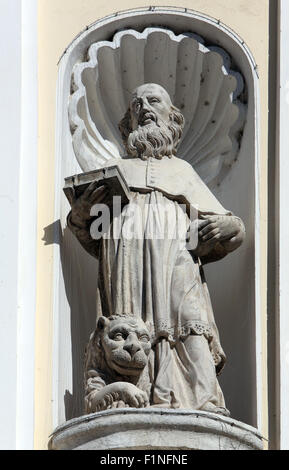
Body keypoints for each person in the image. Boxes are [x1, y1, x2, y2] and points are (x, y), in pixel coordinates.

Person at [67, 83, 245, 415]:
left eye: (153, 100)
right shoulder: (117, 171)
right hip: (126, 262)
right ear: (128, 122)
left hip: (178, 255)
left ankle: (203, 400)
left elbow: (228, 227)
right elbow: (91, 236)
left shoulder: (183, 171)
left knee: (190, 320)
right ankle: (137, 394)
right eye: (136, 104)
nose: (144, 107)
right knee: (132, 327)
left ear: (170, 115)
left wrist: (230, 225)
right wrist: (80, 214)